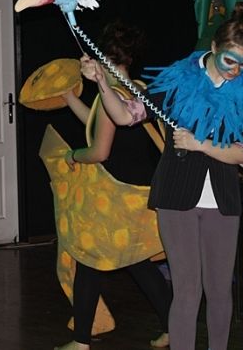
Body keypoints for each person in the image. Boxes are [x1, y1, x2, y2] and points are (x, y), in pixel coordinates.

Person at [81, 0, 243, 350]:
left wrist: (200, 144)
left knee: (219, 290)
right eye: (230, 60)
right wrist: (102, 83)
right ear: (214, 47)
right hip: (176, 196)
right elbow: (126, 116)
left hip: (223, 200)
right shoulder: (178, 80)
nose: (236, 70)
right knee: (187, 290)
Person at [54, 20, 171, 350]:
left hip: (118, 196)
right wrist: (70, 99)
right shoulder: (137, 88)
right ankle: (173, 327)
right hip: (140, 192)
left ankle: (80, 341)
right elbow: (99, 122)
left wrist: (74, 155)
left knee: (89, 260)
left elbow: (99, 150)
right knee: (137, 263)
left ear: (101, 55)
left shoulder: (113, 93)